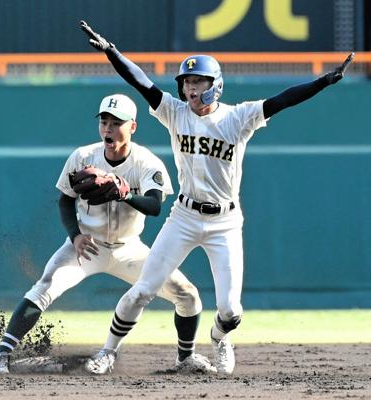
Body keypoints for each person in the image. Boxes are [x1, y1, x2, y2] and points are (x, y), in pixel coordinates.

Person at [79, 20, 353, 375]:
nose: (191, 89)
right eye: (187, 82)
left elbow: (283, 100)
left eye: (198, 82)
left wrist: (322, 81)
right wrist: (111, 52)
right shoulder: (175, 112)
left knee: (231, 311)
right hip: (184, 216)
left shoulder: (239, 117)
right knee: (143, 289)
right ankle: (108, 352)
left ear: (215, 85)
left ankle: (219, 337)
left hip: (224, 221)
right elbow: (141, 81)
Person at [0, 94, 216, 377]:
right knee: (45, 286)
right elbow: (64, 200)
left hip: (130, 250)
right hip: (87, 246)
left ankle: (185, 359)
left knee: (188, 295)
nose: (108, 128)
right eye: (104, 121)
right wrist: (74, 236)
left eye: (116, 123)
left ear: (132, 126)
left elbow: (155, 205)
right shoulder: (83, 157)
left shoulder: (146, 162)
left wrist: (126, 194)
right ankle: (0, 356)